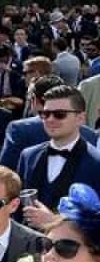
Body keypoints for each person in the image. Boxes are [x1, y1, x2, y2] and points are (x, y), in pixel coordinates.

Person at [18, 85, 100, 229]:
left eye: (59, 114)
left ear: (80, 118)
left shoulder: (96, 162)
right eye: (45, 114)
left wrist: (54, 221)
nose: (50, 119)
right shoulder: (28, 155)